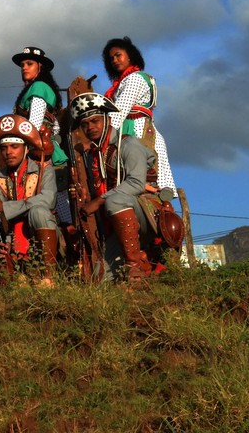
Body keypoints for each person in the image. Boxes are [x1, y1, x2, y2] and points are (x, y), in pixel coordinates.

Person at [69, 92, 156, 281]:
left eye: (95, 121)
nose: (90, 127)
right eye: (85, 124)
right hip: (117, 221)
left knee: (115, 200)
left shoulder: (128, 144)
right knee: (100, 280)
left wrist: (99, 201)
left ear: (107, 120)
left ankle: (134, 269)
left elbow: (136, 183)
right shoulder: (93, 154)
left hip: (144, 216)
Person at [0, 114, 59, 284]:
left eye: (14, 146)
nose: (8, 152)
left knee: (39, 211)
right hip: (11, 237)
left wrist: (6, 207)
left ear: (25, 148)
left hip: (43, 233)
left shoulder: (44, 169)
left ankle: (48, 278)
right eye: (4, 148)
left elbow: (48, 199)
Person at [101, 37, 176, 200]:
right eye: (111, 58)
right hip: (127, 128)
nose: (114, 60)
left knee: (141, 176)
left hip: (138, 130)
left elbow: (119, 111)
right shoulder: (120, 83)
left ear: (130, 56)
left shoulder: (135, 78)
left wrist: (101, 141)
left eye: (118, 55)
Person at [12, 46, 72, 224]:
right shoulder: (40, 88)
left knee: (56, 202)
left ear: (40, 67)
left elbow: (34, 124)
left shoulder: (38, 87)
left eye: (29, 63)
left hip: (39, 151)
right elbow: (54, 127)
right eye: (22, 64)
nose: (24, 67)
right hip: (42, 147)